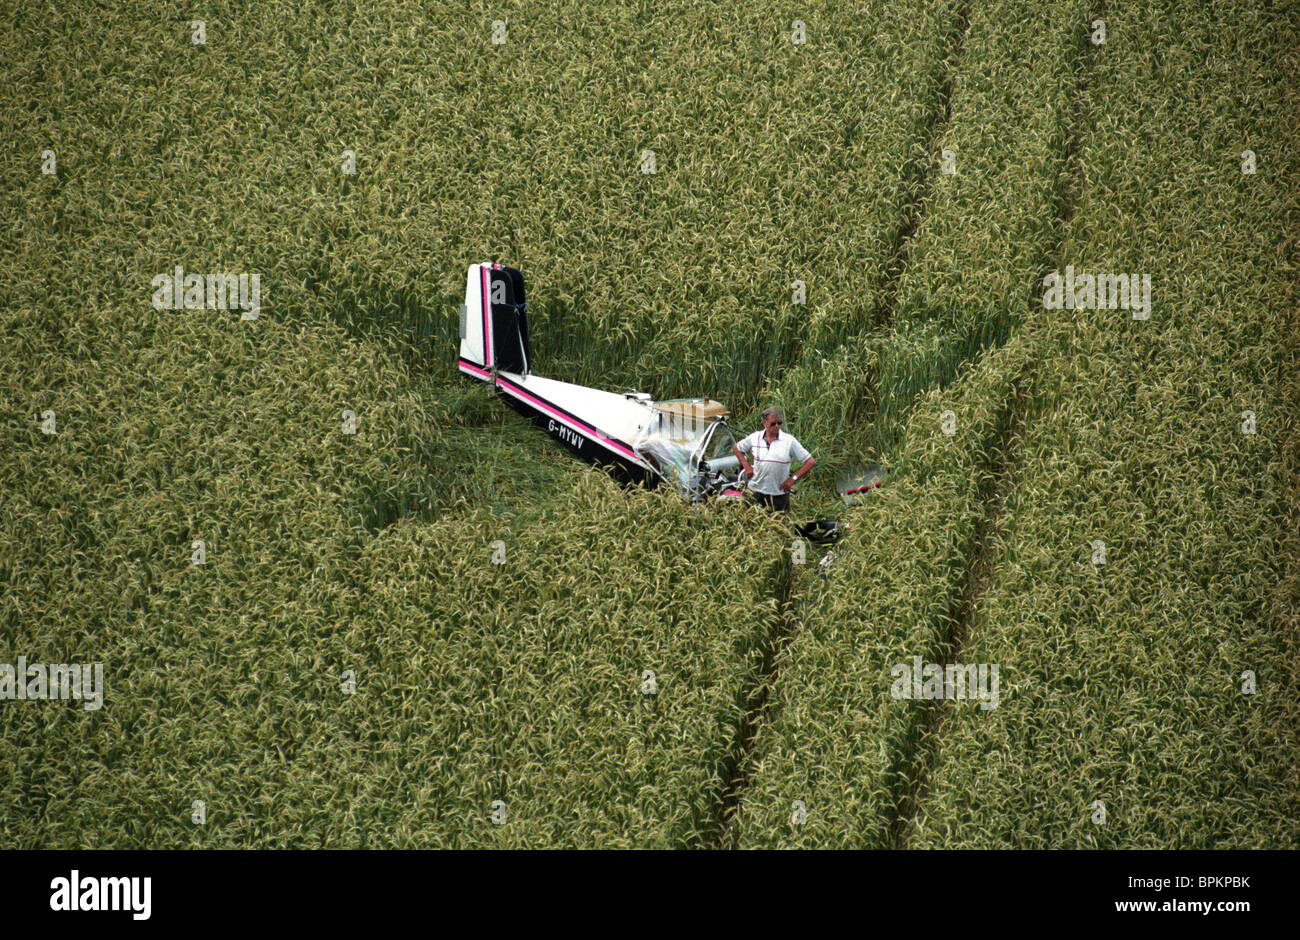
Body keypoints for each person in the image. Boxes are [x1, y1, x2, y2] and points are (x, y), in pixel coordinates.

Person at [733, 406, 815, 512]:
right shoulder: (754, 438)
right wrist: (747, 467)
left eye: (779, 423)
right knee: (752, 523)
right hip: (755, 491)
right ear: (764, 423)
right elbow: (737, 448)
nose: (777, 426)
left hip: (778, 494)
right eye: (773, 423)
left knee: (780, 525)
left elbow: (810, 462)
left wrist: (792, 480)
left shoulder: (789, 441)